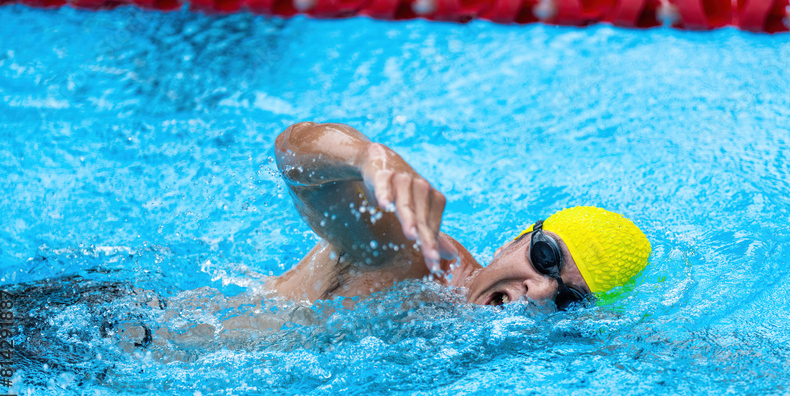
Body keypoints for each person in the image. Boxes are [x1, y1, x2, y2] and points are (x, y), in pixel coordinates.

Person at [265, 122, 652, 310]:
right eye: (546, 258)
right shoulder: (415, 259)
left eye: (570, 300)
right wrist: (367, 158)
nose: (542, 291)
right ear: (512, 242)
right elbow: (293, 157)